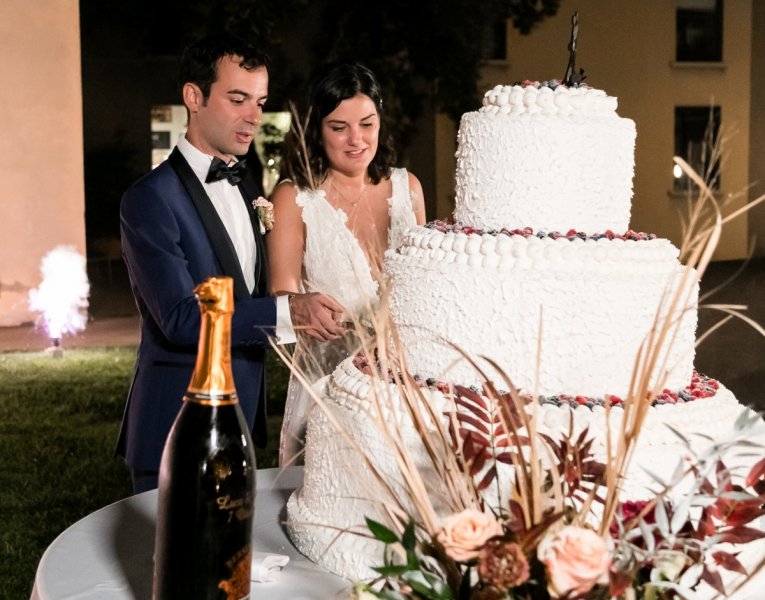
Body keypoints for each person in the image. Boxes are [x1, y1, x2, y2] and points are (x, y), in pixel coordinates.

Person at [117, 33, 345, 494]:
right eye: (238, 98)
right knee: (171, 566)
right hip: (173, 428)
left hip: (239, 424)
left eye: (260, 101)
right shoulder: (148, 200)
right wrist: (289, 312)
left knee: (231, 562)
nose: (254, 117)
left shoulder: (245, 188)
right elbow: (181, 320)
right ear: (193, 97)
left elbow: (248, 297)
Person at [266, 63, 427, 465]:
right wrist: (303, 306)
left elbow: (427, 284)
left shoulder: (408, 188)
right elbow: (281, 292)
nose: (356, 140)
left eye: (367, 124)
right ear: (317, 129)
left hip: (402, 384)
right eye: (339, 127)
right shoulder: (294, 197)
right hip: (327, 384)